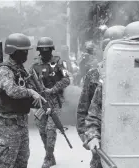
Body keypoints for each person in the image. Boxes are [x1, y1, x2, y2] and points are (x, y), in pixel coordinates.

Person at [0, 33, 46, 168]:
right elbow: (11, 90)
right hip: (8, 127)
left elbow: (28, 93)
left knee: (21, 163)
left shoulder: (20, 70)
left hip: (21, 124)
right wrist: (31, 92)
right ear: (13, 51)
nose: (26, 55)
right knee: (5, 164)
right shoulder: (4, 70)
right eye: (23, 52)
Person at [76, 25, 126, 168]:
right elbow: (84, 107)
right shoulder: (94, 74)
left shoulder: (134, 72)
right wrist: (85, 135)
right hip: (100, 134)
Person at [30, 37, 70, 168]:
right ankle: (51, 156)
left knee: (51, 129)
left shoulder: (59, 62)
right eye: (42, 50)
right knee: (42, 129)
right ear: (39, 51)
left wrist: (53, 89)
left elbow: (66, 80)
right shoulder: (35, 65)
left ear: (52, 50)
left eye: (47, 50)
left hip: (55, 101)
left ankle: (48, 157)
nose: (45, 53)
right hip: (41, 102)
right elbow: (30, 82)